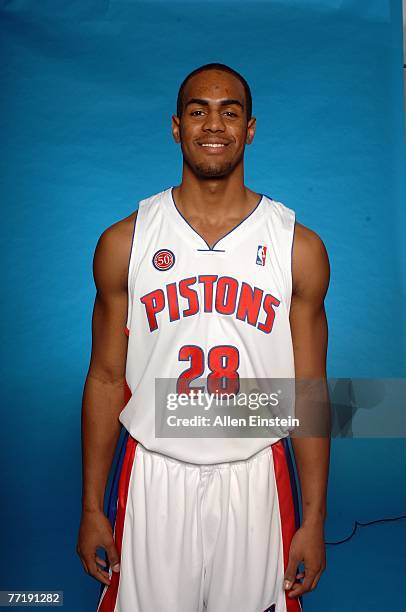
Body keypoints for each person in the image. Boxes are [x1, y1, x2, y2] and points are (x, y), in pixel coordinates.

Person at [77, 62, 330, 612]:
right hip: (153, 477)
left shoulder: (297, 248)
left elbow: (308, 389)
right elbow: (104, 377)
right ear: (176, 127)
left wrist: (315, 519)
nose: (214, 125)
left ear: (251, 128)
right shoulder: (127, 241)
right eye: (199, 111)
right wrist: (92, 507)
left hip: (255, 478)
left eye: (229, 112)